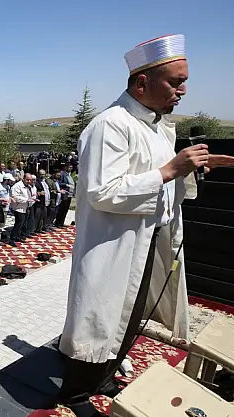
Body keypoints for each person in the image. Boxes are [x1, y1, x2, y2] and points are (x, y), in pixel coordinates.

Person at [57, 34, 234, 409]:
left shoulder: (158, 126)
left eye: (184, 81)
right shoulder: (111, 125)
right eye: (176, 82)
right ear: (142, 82)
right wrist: (171, 169)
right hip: (112, 246)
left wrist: (190, 168)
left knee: (128, 317)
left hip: (148, 240)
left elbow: (163, 181)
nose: (183, 91)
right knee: (98, 319)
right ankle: (76, 394)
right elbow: (102, 192)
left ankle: (104, 378)